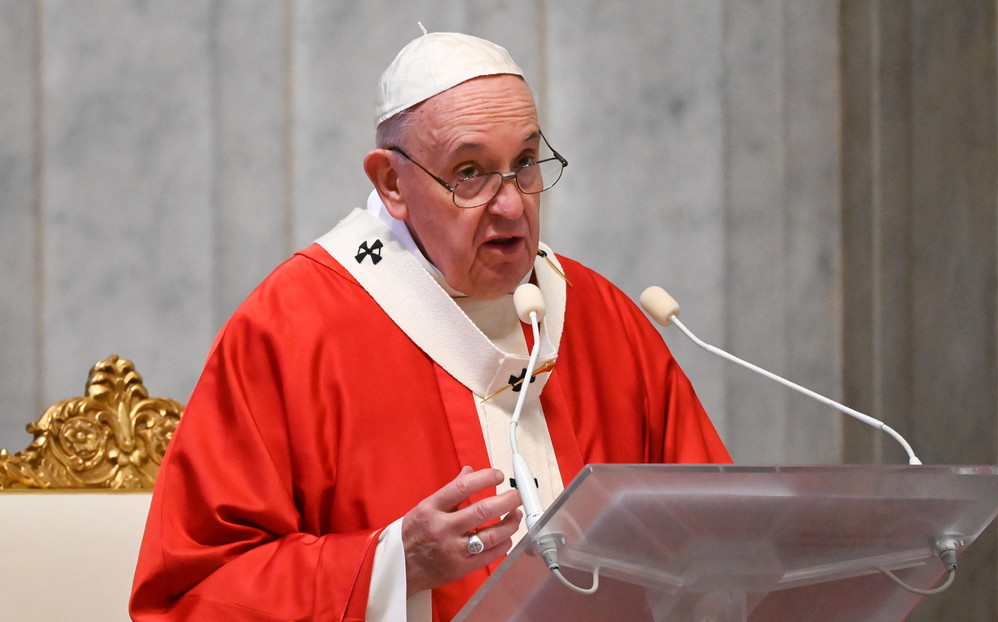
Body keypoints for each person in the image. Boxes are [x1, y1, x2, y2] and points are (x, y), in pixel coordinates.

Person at [130, 28, 729, 622]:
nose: (512, 204)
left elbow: (718, 540)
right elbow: (191, 593)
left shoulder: (601, 317)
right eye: (470, 172)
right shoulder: (293, 329)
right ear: (391, 183)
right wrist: (394, 566)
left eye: (525, 163)